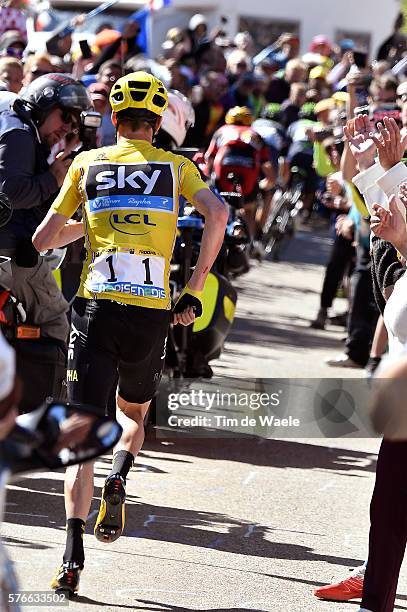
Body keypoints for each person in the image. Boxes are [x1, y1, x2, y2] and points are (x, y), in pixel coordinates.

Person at [32, 71, 228, 595]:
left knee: (80, 435)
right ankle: (121, 471)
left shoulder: (87, 163)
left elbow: (43, 237)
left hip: (95, 310)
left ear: (114, 120)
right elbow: (218, 213)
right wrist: (194, 285)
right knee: (133, 414)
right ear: (159, 121)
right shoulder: (177, 167)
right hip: (150, 312)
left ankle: (71, 558)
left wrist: (92, 224)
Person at [0, 73, 92, 412]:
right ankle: (47, 418)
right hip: (10, 254)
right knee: (57, 324)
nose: (68, 127)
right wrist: (55, 176)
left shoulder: (12, 121)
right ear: (43, 105)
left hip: (16, 247)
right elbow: (9, 194)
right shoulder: (20, 134)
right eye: (65, 116)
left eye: (75, 123)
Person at [204, 105, 275, 240]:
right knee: (248, 208)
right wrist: (270, 181)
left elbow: (209, 157)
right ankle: (249, 243)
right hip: (248, 170)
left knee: (220, 202)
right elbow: (266, 163)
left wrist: (207, 178)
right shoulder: (255, 134)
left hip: (223, 167)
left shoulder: (222, 131)